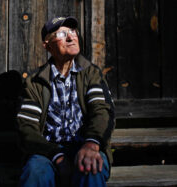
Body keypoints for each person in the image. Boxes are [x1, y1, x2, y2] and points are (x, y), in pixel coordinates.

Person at [17, 16, 115, 187]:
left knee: (90, 167)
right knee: (36, 172)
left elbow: (102, 111)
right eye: (61, 34)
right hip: (47, 153)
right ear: (47, 45)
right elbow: (27, 128)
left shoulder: (91, 73)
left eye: (72, 31)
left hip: (85, 146)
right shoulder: (35, 82)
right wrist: (56, 156)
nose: (71, 37)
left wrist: (92, 143)